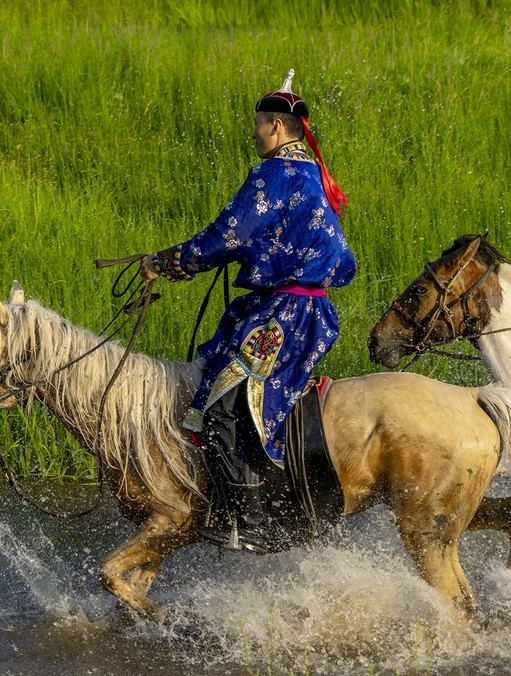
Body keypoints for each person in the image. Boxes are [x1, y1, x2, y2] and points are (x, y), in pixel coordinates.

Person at [139, 70, 356, 552]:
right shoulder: (311, 174)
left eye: (259, 123)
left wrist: (169, 261)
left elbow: (229, 235)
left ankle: (252, 521)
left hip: (285, 311)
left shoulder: (276, 173)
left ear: (277, 128)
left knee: (222, 405)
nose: (254, 132)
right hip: (299, 306)